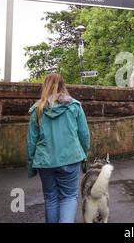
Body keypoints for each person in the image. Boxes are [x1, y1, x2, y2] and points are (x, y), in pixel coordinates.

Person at [27, 73, 90, 223]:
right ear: (63, 85)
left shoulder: (38, 109)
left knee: (50, 198)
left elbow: (31, 141)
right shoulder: (74, 106)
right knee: (68, 197)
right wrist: (84, 154)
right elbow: (84, 134)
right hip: (71, 158)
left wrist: (31, 166)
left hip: (45, 161)